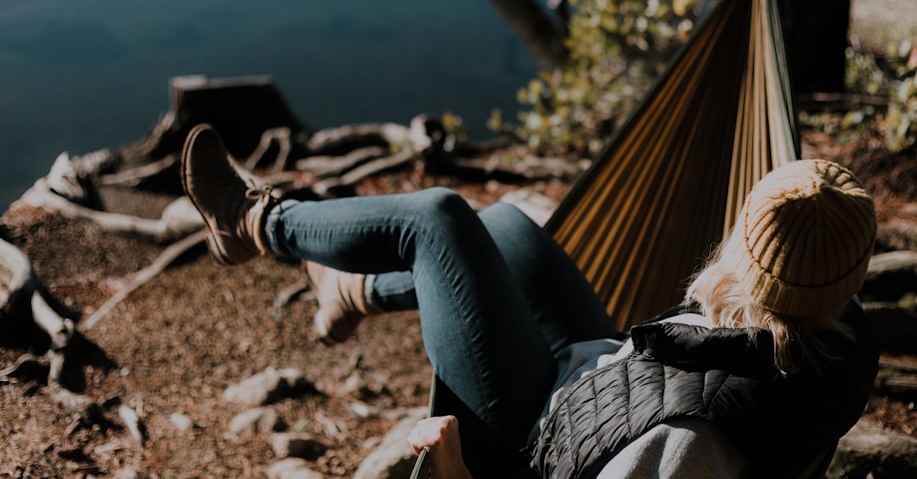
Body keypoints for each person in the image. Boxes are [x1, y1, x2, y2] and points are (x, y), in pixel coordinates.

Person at [180, 123, 880, 478]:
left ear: (741, 247)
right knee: (509, 226)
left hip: (533, 446)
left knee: (437, 220)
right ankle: (352, 288)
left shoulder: (693, 448)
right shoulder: (833, 332)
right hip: (601, 387)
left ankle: (254, 223)